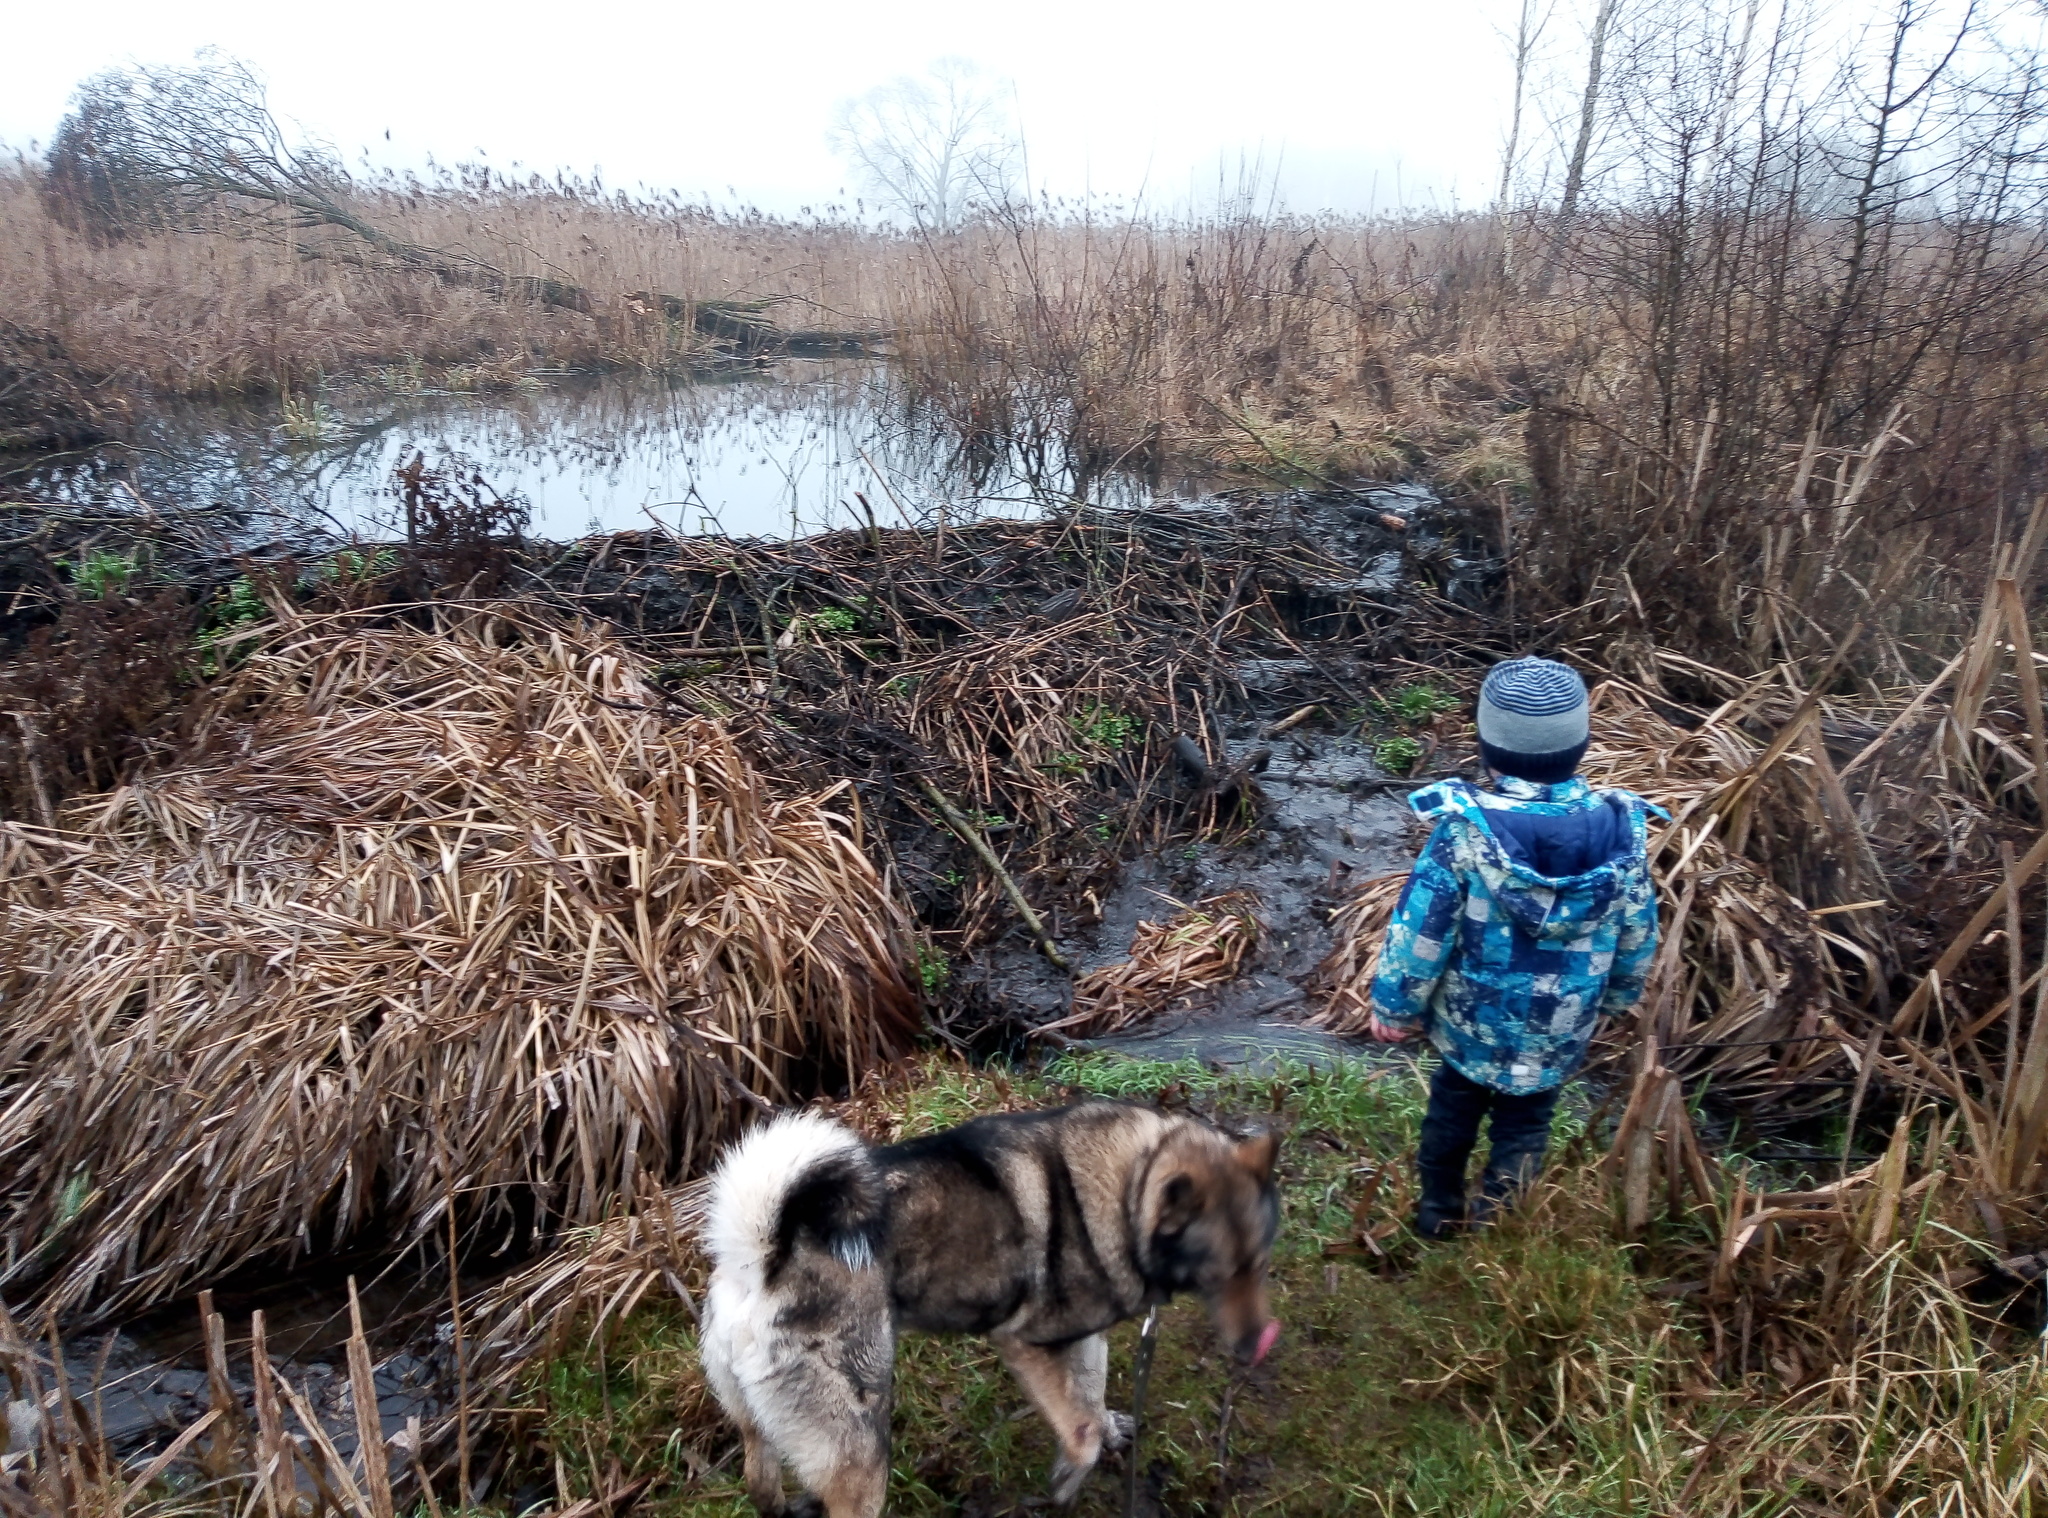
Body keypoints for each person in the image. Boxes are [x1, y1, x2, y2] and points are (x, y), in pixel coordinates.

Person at [1367, 657, 1661, 1239]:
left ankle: (1437, 1212)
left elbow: (1421, 931)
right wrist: (1619, 996)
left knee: (1452, 1112)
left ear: (1486, 747)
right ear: (1581, 743)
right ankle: (1496, 1224)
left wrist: (1395, 1008)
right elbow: (1638, 931)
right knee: (1526, 1126)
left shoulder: (1465, 831)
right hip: (1561, 1027)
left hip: (1472, 1026)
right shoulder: (1618, 832)